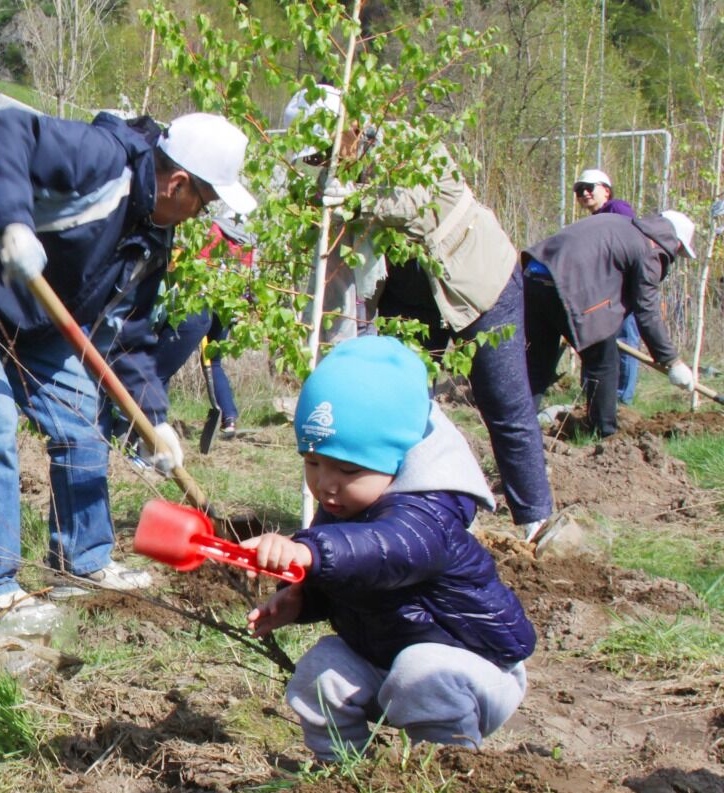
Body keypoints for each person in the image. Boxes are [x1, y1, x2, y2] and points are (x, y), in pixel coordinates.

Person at [0, 107, 255, 629]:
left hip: (34, 311)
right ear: (178, 183)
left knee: (82, 422)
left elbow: (128, 336)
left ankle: (81, 562)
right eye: (204, 201)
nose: (201, 214)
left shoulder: (152, 236)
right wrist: (14, 224)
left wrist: (153, 419)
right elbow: (2, 130)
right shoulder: (103, 160)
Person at [243, 337, 536, 762]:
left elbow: (386, 550)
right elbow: (354, 577)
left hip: (471, 670)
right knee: (319, 673)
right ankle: (343, 775)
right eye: (312, 462)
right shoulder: (343, 504)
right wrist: (303, 602)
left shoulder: (430, 513)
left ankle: (447, 775)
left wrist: (308, 551)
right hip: (385, 663)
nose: (325, 483)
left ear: (396, 458)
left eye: (347, 468)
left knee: (421, 673)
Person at [284, 86, 555, 539]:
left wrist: (356, 199)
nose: (321, 162)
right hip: (410, 301)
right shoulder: (332, 183)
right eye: (313, 158)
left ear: (351, 129)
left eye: (324, 151)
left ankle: (536, 521)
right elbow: (336, 267)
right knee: (398, 407)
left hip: (478, 282)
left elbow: (415, 203)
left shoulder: (409, 143)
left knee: (503, 402)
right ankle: (404, 519)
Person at [523, 209, 697, 437]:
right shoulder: (650, 249)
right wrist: (672, 361)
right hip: (568, 288)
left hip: (533, 275)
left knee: (537, 364)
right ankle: (603, 435)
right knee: (604, 362)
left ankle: (518, 427)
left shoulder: (621, 225)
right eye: (679, 250)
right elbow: (646, 310)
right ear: (676, 241)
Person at [101, 212, 257, 454]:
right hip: (226, 308)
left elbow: (191, 266)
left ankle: (139, 436)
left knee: (156, 373)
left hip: (197, 307)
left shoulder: (212, 231)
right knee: (213, 362)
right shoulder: (248, 243)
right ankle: (229, 417)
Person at [571, 168, 642, 404]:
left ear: (606, 191)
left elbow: (629, 244)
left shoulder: (617, 209)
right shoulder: (594, 220)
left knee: (625, 341)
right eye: (579, 190)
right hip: (603, 294)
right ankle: (597, 395)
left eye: (589, 188)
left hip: (623, 292)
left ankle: (622, 398)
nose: (584, 193)